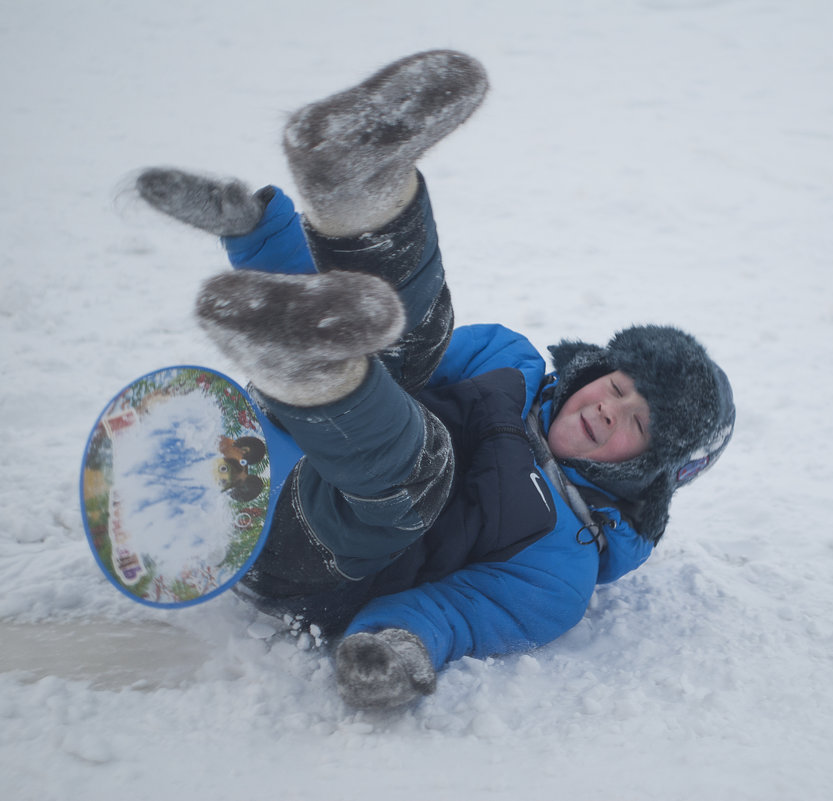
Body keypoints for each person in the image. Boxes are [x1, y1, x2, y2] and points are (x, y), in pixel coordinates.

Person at [133, 50, 735, 710]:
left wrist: (395, 647)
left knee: (423, 470)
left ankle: (308, 370)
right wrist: (260, 235)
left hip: (313, 555)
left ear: (651, 469)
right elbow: (376, 342)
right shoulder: (510, 361)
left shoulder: (563, 561)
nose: (610, 408)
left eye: (638, 423)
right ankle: (360, 190)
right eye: (618, 386)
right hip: (278, 443)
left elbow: (454, 611)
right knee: (406, 344)